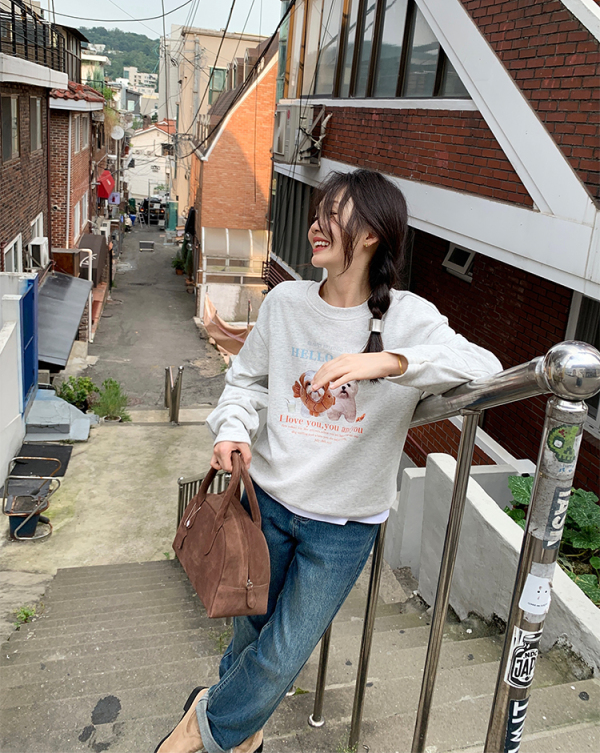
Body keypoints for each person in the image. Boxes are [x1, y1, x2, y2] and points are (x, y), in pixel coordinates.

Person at [156, 169, 502, 753]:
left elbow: (486, 368)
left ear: (370, 234)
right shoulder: (286, 303)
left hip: (344, 527)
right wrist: (234, 428)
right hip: (266, 504)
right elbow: (247, 381)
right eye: (317, 214)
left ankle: (200, 728)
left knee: (283, 653)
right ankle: (244, 735)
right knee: (250, 638)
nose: (316, 226)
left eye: (332, 216)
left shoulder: (409, 318)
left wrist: (387, 362)